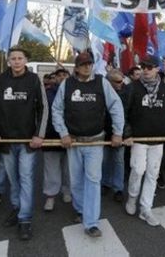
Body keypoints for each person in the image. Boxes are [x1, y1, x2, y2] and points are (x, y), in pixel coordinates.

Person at [52, 52, 124, 237]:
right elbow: (57, 110)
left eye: (89, 64)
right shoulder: (66, 84)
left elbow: (116, 106)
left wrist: (118, 132)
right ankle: (80, 209)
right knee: (76, 181)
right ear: (76, 67)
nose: (87, 67)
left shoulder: (102, 82)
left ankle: (91, 222)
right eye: (83, 64)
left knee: (93, 180)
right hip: (73, 141)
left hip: (95, 141)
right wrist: (63, 133)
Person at [0, 46, 47, 241]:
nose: (17, 61)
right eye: (13, 58)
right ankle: (16, 207)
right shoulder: (0, 80)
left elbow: (43, 108)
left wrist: (39, 134)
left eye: (20, 58)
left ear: (26, 60)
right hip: (5, 141)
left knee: (27, 178)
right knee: (14, 180)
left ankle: (25, 219)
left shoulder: (34, 80)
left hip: (28, 141)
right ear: (9, 60)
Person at [123, 55, 165, 227]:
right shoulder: (132, 88)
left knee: (152, 174)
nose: (146, 70)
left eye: (150, 67)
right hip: (139, 139)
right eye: (143, 67)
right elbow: (123, 113)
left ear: (158, 69)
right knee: (138, 169)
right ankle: (132, 197)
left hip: (159, 140)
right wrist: (127, 134)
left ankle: (146, 208)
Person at [42, 71, 72, 212]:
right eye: (59, 75)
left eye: (65, 75)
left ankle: (67, 191)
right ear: (54, 78)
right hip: (51, 137)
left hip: (71, 137)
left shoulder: (74, 92)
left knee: (69, 169)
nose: (62, 78)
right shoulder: (46, 94)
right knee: (51, 169)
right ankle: (50, 196)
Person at [102, 69, 128, 203]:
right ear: (108, 81)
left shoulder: (125, 94)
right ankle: (105, 183)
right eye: (118, 81)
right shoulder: (101, 93)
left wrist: (123, 134)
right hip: (104, 133)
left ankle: (118, 188)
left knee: (119, 161)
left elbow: (127, 115)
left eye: (122, 81)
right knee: (105, 160)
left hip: (120, 134)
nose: (121, 84)